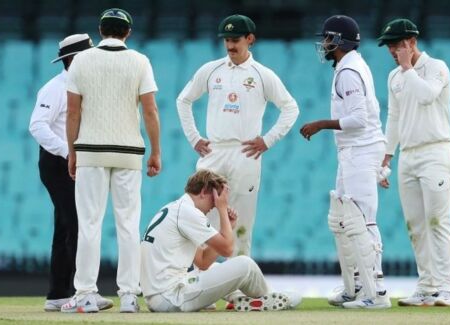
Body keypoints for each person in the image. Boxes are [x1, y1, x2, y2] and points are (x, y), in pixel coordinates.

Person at [61, 8, 161, 313]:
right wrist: (156, 151)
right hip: (128, 153)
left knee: (89, 223)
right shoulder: (140, 61)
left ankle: (86, 293)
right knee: (128, 224)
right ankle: (129, 295)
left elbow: (73, 112)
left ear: (101, 30)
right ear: (127, 32)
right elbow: (150, 111)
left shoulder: (82, 60)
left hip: (91, 151)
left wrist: (73, 151)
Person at [177, 14, 299, 260]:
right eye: (227, 40)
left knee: (242, 221)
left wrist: (268, 140)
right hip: (214, 152)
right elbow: (183, 99)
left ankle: (238, 285)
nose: (230, 46)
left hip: (245, 153)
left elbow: (291, 108)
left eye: (235, 40)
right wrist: (194, 138)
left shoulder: (262, 74)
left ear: (250, 39)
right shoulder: (211, 70)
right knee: (202, 218)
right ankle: (204, 281)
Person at [299, 15, 391, 309]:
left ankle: (375, 292)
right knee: (342, 219)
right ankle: (354, 287)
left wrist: (320, 124)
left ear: (339, 41)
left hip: (361, 151)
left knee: (363, 221)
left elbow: (359, 119)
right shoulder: (348, 66)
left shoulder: (349, 71)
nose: (324, 44)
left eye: (327, 39)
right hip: (353, 152)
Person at [377, 18, 450, 307]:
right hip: (409, 156)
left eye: (397, 45)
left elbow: (427, 97)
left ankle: (447, 288)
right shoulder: (394, 77)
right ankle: (426, 287)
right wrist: (387, 155)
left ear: (411, 42)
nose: (392, 51)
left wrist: (409, 67)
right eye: (389, 46)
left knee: (437, 221)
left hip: (436, 151)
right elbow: (395, 118)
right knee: (415, 225)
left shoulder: (436, 67)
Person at [29, 34, 112, 312]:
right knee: (78, 223)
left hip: (73, 162)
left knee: (66, 226)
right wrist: (68, 152)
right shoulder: (55, 88)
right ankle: (82, 293)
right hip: (57, 163)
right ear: (73, 60)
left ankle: (58, 294)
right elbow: (37, 125)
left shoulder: (81, 86)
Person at [140, 169, 301, 312]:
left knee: (214, 267)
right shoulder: (188, 212)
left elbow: (203, 261)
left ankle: (241, 299)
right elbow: (227, 249)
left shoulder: (176, 208)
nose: (215, 205)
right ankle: (270, 297)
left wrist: (228, 227)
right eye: (215, 198)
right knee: (245, 265)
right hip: (171, 296)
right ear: (204, 191)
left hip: (160, 296)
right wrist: (223, 209)